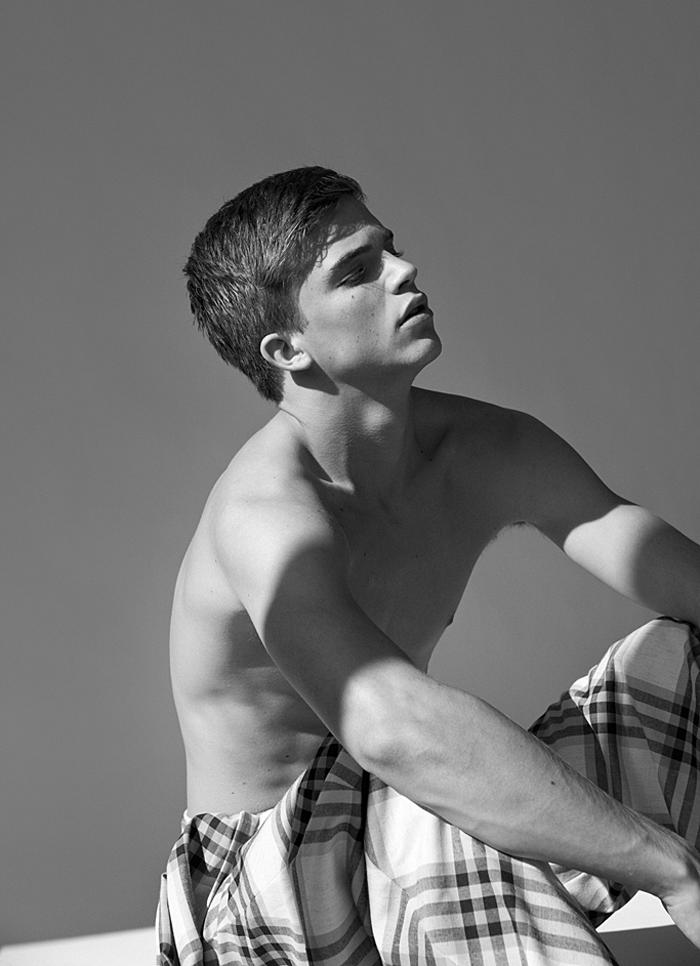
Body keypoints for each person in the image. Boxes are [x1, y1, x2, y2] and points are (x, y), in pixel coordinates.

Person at [157, 166, 700, 965]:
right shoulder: (264, 515)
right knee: (437, 774)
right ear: (287, 348)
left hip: (421, 849)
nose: (404, 270)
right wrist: (669, 869)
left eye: (391, 248)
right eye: (357, 270)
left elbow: (675, 576)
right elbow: (388, 725)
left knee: (682, 659)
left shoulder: (489, 450)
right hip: (265, 905)